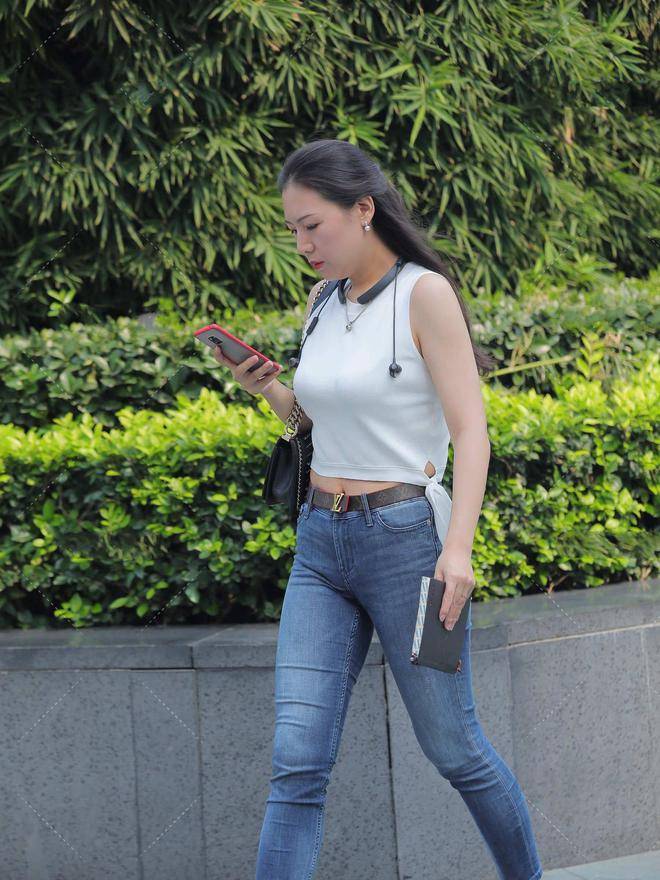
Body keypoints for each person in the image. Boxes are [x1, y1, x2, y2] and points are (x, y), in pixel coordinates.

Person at [214, 139, 543, 880]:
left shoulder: (424, 295)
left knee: (455, 749)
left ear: (363, 209)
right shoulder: (320, 303)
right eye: (293, 230)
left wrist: (457, 550)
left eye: (313, 226)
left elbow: (471, 431)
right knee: (297, 760)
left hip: (410, 548)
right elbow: (316, 424)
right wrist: (266, 389)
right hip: (320, 547)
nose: (302, 245)